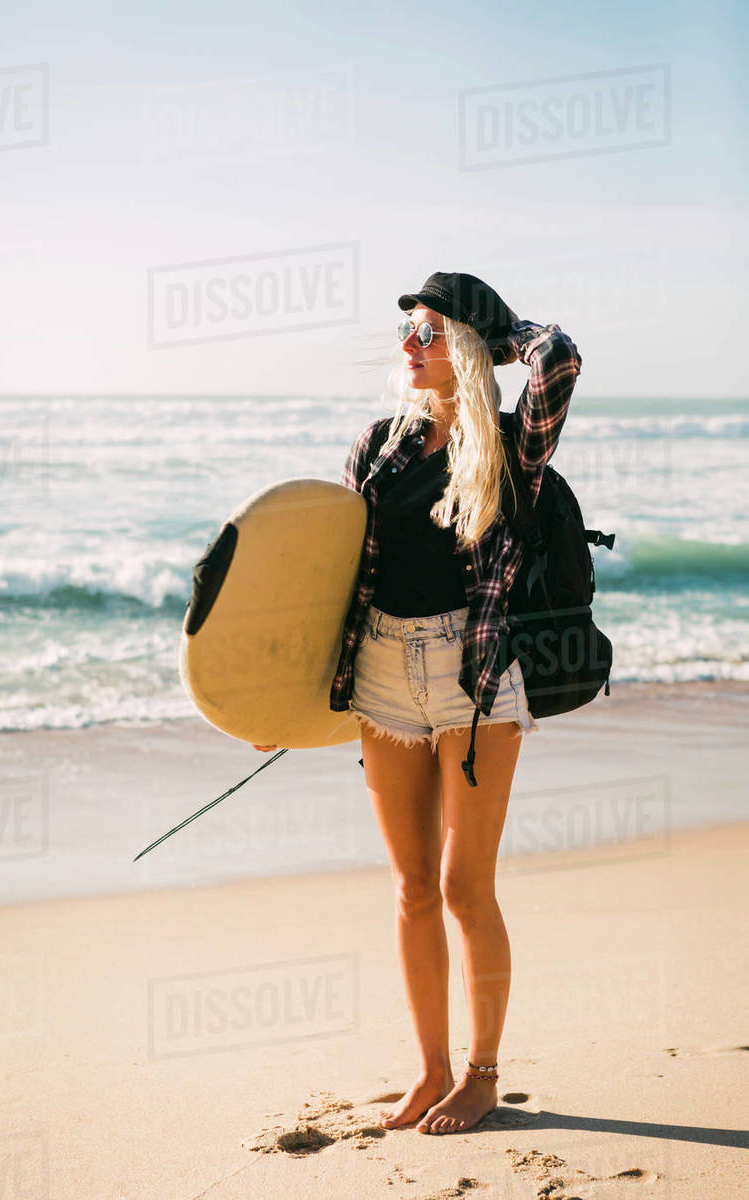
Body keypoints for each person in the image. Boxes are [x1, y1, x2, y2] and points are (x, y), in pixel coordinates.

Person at [256, 271, 582, 1135]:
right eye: (407, 329)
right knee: (410, 889)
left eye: (429, 331)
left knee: (464, 886)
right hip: (384, 677)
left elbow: (559, 358)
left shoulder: (515, 446)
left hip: (477, 682)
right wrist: (279, 703)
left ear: (470, 348)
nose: (408, 345)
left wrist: (497, 326)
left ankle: (481, 1073)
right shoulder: (377, 446)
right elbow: (333, 583)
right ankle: (431, 1067)